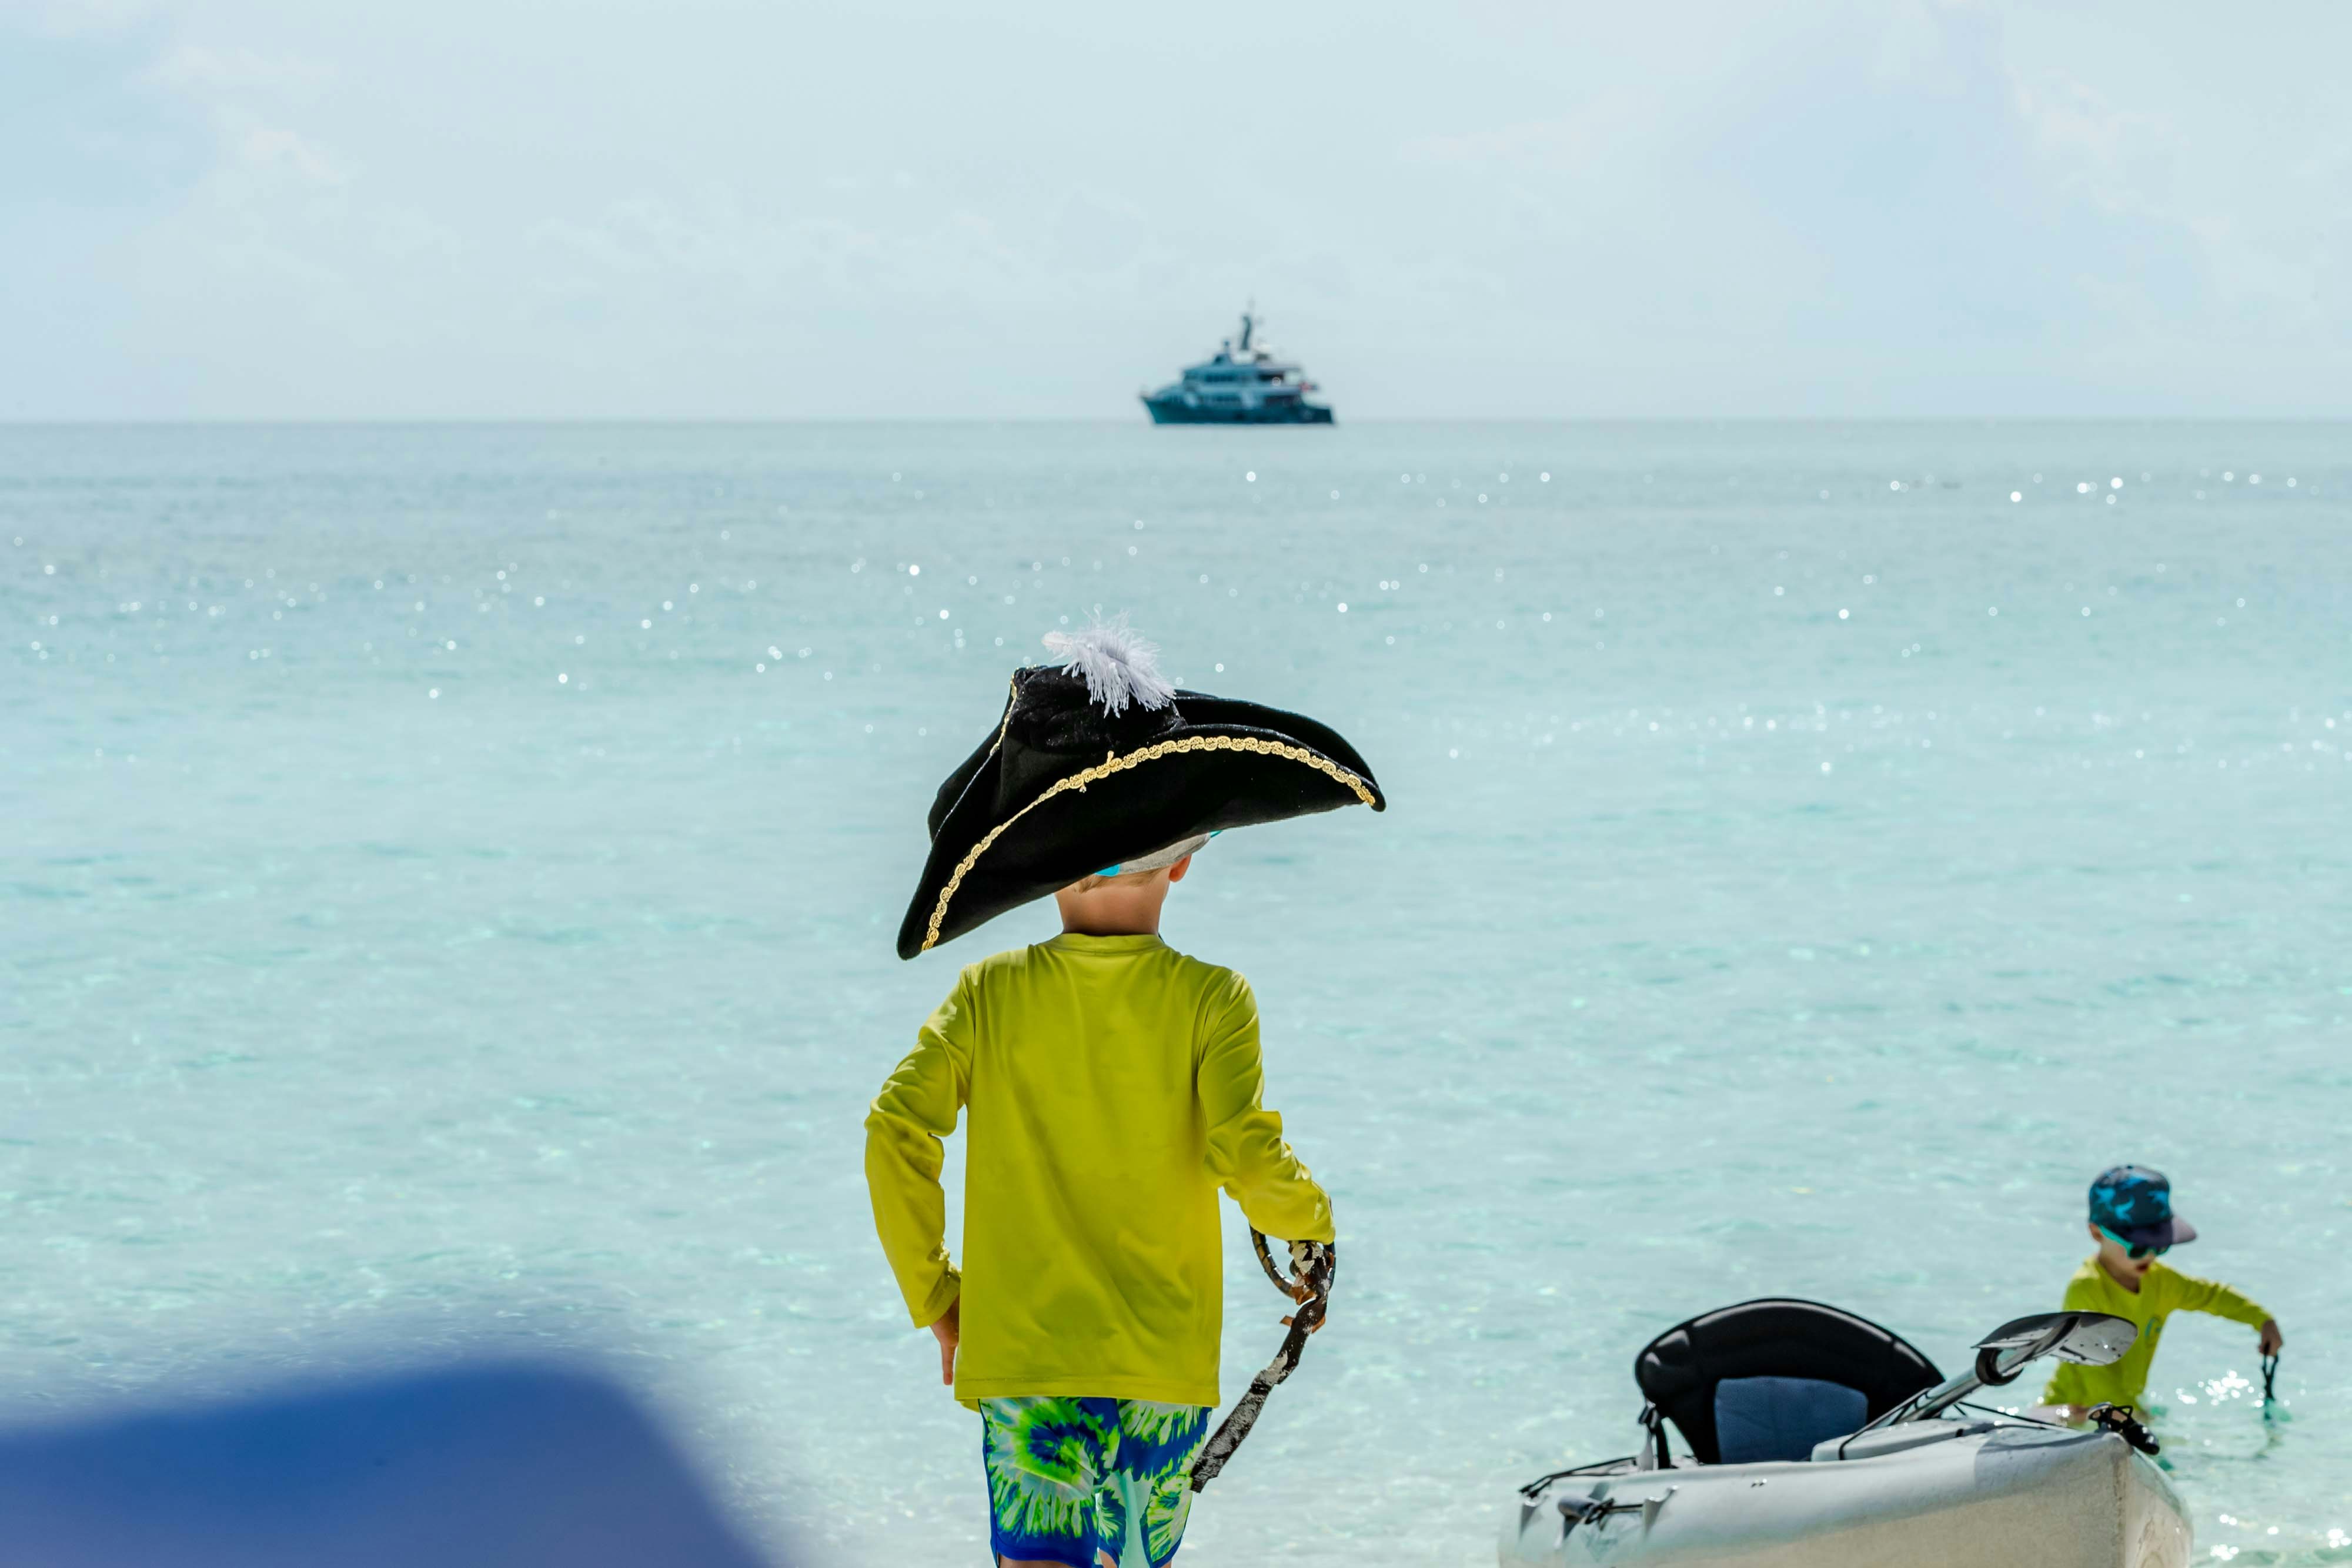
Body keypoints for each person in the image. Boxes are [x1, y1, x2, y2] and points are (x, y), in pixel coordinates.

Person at [865, 624, 1384, 1568]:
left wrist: (938, 1297)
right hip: (1159, 1367)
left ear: (1037, 873)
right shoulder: (1211, 999)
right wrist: (1311, 1227)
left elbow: (894, 1129)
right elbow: (1242, 1148)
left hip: (1022, 1362)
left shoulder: (986, 996)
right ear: (1184, 857)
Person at [2039, 1165, 2282, 1424]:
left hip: (2122, 1408)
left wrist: (2263, 1321)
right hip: (2072, 1412)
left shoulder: (2160, 1281)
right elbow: (2096, 1375)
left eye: (2160, 1245)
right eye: (2138, 1247)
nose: (2150, 1256)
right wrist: (2132, 1420)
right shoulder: (2087, 1289)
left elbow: (2212, 1296)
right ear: (2097, 1233)